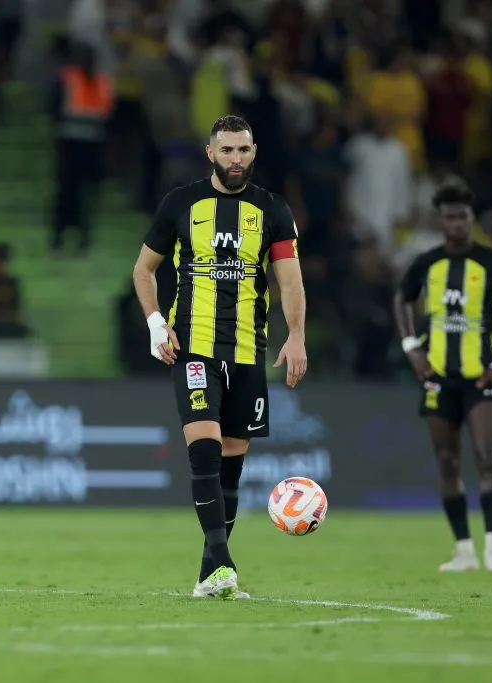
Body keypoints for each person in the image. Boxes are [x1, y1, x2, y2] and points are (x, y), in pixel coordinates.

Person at [131, 115, 308, 599]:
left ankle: (209, 572)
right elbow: (144, 270)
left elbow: (289, 280)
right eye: (227, 150)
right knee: (204, 447)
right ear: (210, 153)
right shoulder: (181, 204)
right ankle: (223, 562)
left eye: (243, 150)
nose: (236, 159)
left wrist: (296, 335)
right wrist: (154, 322)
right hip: (192, 345)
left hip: (249, 349)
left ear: (255, 152)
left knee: (232, 459)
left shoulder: (272, 209)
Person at [393, 179, 492, 572]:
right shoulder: (427, 263)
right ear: (440, 221)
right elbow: (401, 298)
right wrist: (411, 347)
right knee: (446, 461)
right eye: (449, 217)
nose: (456, 223)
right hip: (438, 377)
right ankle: (464, 552)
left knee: (488, 456)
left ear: (471, 219)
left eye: (462, 216)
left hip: (480, 379)